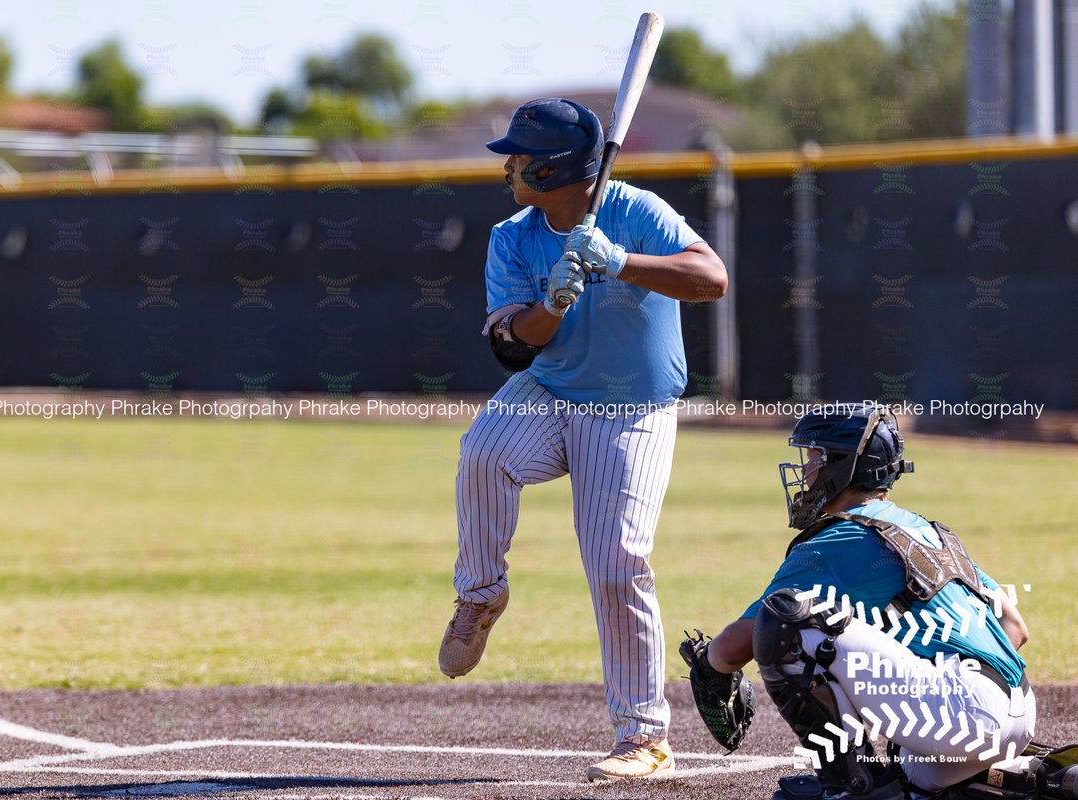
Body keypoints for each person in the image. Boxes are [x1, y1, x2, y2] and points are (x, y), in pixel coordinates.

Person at [436, 97, 728, 782]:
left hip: (633, 408)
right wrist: (554, 305)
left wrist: (620, 261)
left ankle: (644, 738)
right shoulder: (513, 236)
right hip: (552, 388)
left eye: (517, 157)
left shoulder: (638, 211)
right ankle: (480, 593)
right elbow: (512, 346)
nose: (507, 166)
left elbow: (710, 279)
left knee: (617, 562)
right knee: (483, 452)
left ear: (552, 167)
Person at [688, 404, 1034, 800]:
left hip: (963, 721)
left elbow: (734, 649)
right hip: (1016, 715)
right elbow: (1016, 630)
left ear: (843, 465)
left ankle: (855, 786)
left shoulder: (838, 537)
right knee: (913, 784)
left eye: (816, 457)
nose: (806, 470)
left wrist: (707, 664)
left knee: (788, 622)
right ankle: (1006, 778)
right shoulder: (927, 530)